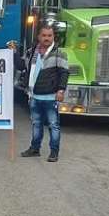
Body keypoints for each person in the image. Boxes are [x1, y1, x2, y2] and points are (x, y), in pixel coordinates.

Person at [20, 25, 69, 162]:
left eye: (49, 36)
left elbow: (64, 73)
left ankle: (54, 152)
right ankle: (35, 149)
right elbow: (21, 66)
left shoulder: (59, 53)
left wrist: (61, 90)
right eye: (44, 35)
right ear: (39, 37)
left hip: (50, 96)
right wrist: (11, 53)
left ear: (53, 37)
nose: (47, 38)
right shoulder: (31, 52)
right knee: (36, 124)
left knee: (53, 125)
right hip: (34, 96)